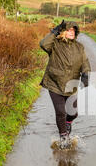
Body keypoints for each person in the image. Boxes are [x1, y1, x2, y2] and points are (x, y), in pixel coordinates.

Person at [39, 20, 91, 148]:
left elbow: (85, 62)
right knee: (61, 112)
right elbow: (43, 44)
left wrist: (85, 74)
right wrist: (54, 31)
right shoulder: (55, 44)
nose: (71, 32)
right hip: (55, 84)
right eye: (69, 30)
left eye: (73, 30)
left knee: (73, 113)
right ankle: (64, 137)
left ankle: (68, 123)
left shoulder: (79, 47)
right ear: (63, 32)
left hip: (71, 85)